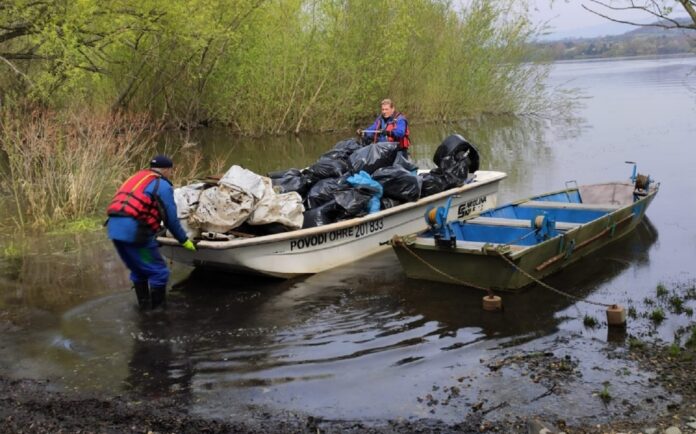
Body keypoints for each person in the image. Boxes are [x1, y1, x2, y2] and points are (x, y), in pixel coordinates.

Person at [106, 155, 196, 310]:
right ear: (167, 170)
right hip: (135, 234)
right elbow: (170, 219)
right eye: (171, 170)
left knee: (140, 269)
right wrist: (184, 240)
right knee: (158, 272)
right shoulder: (162, 185)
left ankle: (144, 308)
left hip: (115, 229)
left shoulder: (137, 178)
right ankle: (158, 315)